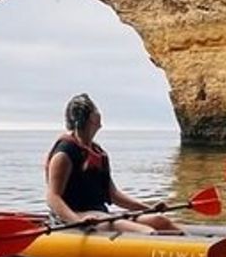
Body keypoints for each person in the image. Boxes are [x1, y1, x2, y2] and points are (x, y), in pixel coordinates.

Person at [46, 94, 183, 235]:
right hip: (75, 218)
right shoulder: (65, 153)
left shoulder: (98, 152)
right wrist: (76, 220)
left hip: (99, 215)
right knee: (146, 231)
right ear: (92, 118)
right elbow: (53, 197)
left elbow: (113, 195)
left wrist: (148, 208)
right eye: (96, 110)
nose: (99, 114)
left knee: (159, 221)